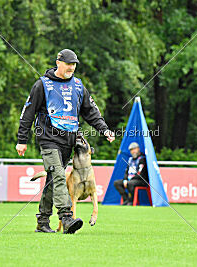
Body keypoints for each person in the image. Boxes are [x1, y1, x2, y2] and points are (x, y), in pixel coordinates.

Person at [16, 49, 115, 234]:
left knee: (53, 179)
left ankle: (42, 221)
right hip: (48, 139)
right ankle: (67, 218)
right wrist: (22, 139)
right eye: (68, 64)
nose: (71, 67)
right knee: (60, 176)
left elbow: (91, 111)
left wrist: (104, 129)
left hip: (68, 142)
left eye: (74, 64)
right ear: (58, 63)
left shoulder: (78, 86)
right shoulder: (42, 85)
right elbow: (28, 112)